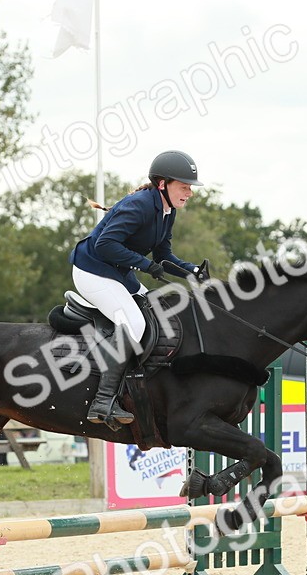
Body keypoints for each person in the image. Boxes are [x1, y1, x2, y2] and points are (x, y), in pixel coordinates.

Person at [69, 150, 209, 426]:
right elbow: (105, 244)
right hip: (92, 271)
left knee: (158, 315)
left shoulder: (167, 211)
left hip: (118, 273)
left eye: (189, 187)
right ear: (162, 184)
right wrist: (144, 266)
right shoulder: (140, 205)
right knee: (134, 324)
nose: (189, 192)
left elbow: (163, 256)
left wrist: (190, 270)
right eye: (184, 186)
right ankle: (103, 401)